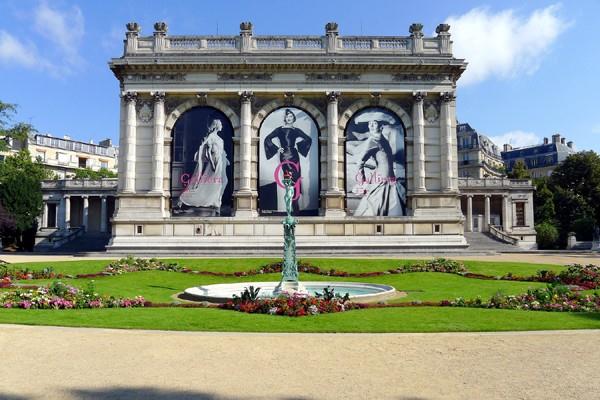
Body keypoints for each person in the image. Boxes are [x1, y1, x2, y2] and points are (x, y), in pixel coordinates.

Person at [350, 117, 406, 216]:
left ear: (381, 126)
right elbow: (360, 162)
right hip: (380, 180)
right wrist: (362, 181)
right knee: (375, 207)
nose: (371, 125)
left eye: (374, 123)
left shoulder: (383, 139)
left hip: (390, 179)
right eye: (369, 123)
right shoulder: (372, 141)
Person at [263, 109, 312, 212]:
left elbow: (308, 139)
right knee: (289, 180)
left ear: (293, 118)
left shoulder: (296, 130)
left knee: (296, 178)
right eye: (287, 116)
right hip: (285, 155)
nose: (289, 118)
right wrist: (277, 149)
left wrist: (299, 147)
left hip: (294, 155)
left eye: (291, 117)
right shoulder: (280, 129)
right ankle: (291, 205)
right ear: (285, 118)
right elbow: (267, 139)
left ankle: (295, 204)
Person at [179, 119, 229, 215]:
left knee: (224, 181)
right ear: (216, 126)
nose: (222, 126)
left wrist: (224, 159)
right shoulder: (211, 136)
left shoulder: (219, 138)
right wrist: (213, 164)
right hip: (214, 162)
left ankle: (217, 200)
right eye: (220, 124)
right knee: (210, 184)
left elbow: (221, 151)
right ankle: (185, 198)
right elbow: (208, 152)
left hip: (221, 162)